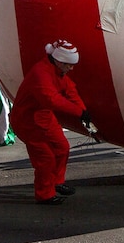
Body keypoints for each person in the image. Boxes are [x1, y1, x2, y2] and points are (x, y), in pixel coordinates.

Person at [9, 40, 89, 205]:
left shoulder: (57, 71)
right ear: (59, 61)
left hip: (43, 116)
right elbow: (51, 99)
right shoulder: (41, 73)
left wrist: (83, 112)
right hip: (27, 120)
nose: (71, 68)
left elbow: (70, 91)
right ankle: (44, 194)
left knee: (62, 147)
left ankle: (57, 182)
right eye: (69, 65)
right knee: (45, 158)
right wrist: (79, 113)